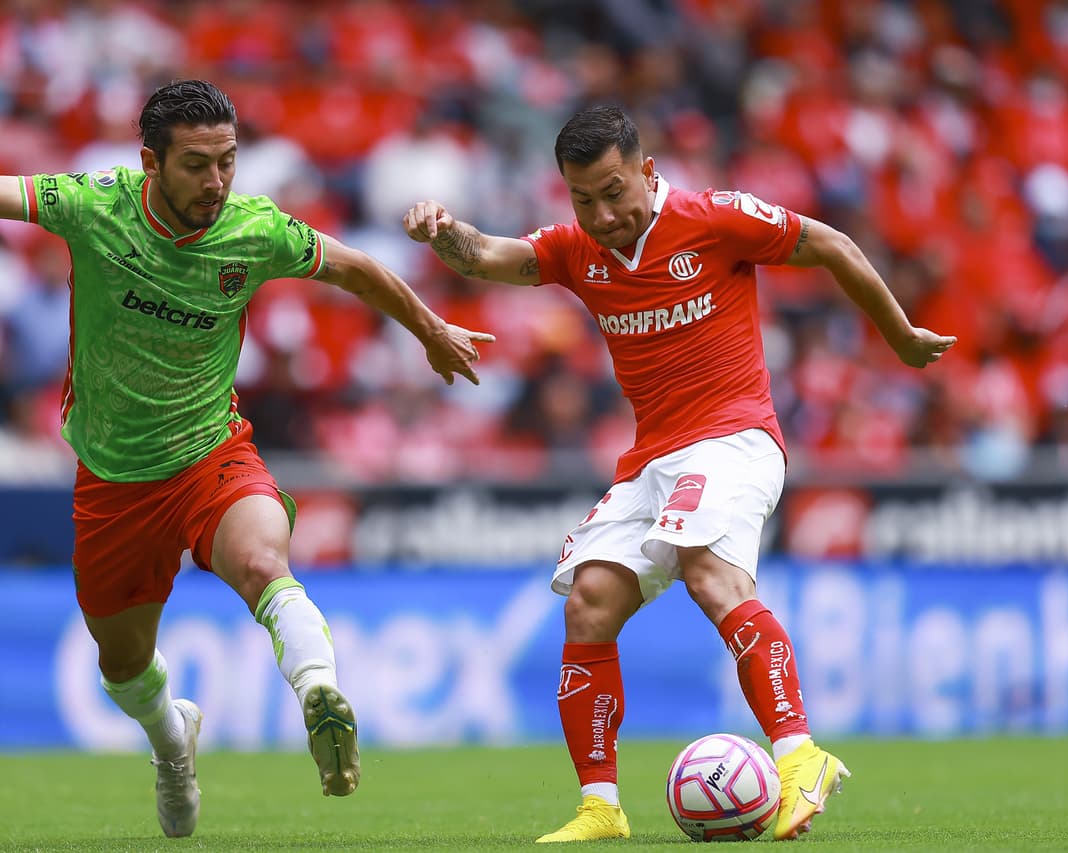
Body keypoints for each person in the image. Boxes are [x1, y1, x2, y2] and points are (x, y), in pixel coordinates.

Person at [0, 79, 493, 838]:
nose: (216, 182)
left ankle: (319, 690)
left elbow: (355, 268)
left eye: (228, 161)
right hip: (113, 480)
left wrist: (430, 331)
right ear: (150, 162)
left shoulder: (256, 230)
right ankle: (171, 738)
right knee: (122, 667)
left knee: (262, 560)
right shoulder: (93, 205)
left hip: (210, 453)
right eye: (196, 165)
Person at [404, 105, 956, 843]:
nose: (603, 215)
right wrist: (442, 229)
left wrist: (900, 335)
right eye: (583, 199)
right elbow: (483, 256)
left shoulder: (715, 218)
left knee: (708, 572)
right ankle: (600, 806)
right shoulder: (576, 250)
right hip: (652, 459)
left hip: (734, 438)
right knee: (589, 603)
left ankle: (801, 755)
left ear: (647, 170)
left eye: (614, 192)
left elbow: (831, 244)